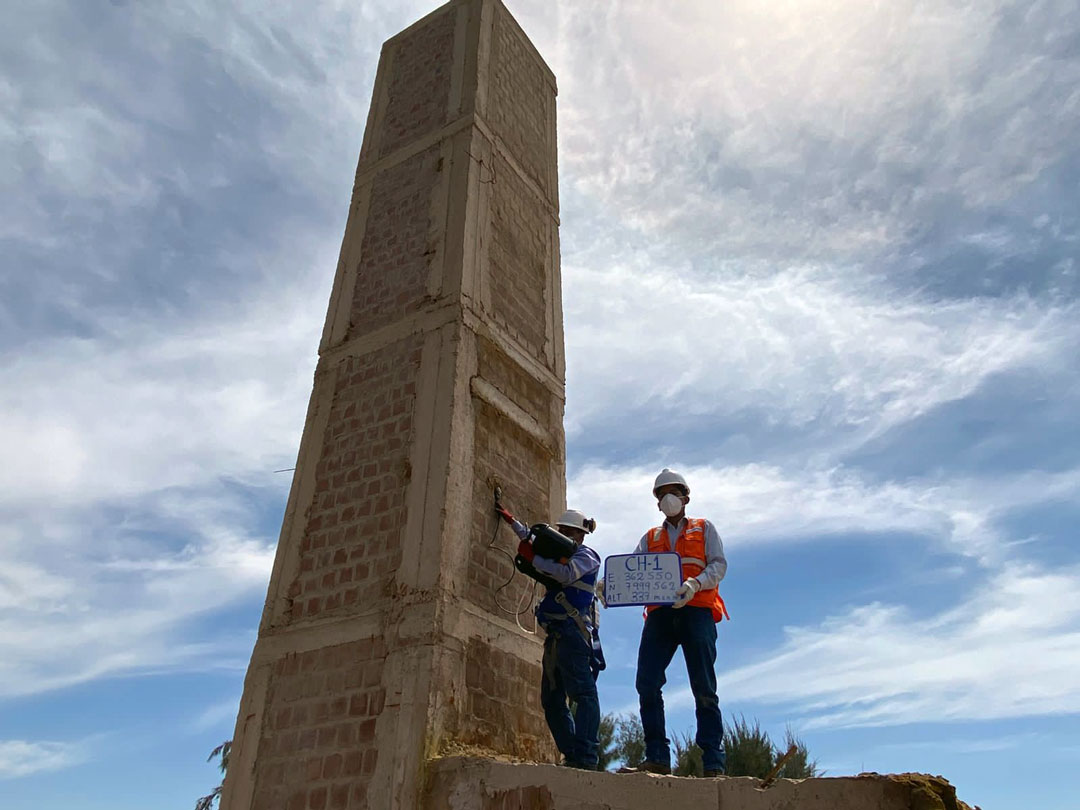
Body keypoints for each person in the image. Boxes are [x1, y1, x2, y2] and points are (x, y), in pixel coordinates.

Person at [623, 468, 729, 777]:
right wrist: (609, 586)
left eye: (674, 491)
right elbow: (632, 571)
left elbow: (718, 564)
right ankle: (657, 756)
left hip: (696, 610)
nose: (669, 498)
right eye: (662, 493)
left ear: (686, 497)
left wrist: (695, 584)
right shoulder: (650, 537)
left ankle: (713, 761)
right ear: (657, 502)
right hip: (659, 615)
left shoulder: (703, 528)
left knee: (704, 687)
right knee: (647, 682)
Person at [496, 504, 604, 770]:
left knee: (583, 694)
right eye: (561, 530)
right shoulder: (558, 554)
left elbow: (566, 574)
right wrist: (513, 522)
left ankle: (587, 756)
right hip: (556, 634)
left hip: (572, 632)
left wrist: (534, 560)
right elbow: (534, 539)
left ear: (579, 535)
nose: (563, 535)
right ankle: (573, 755)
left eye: (568, 531)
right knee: (552, 700)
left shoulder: (587, 556)